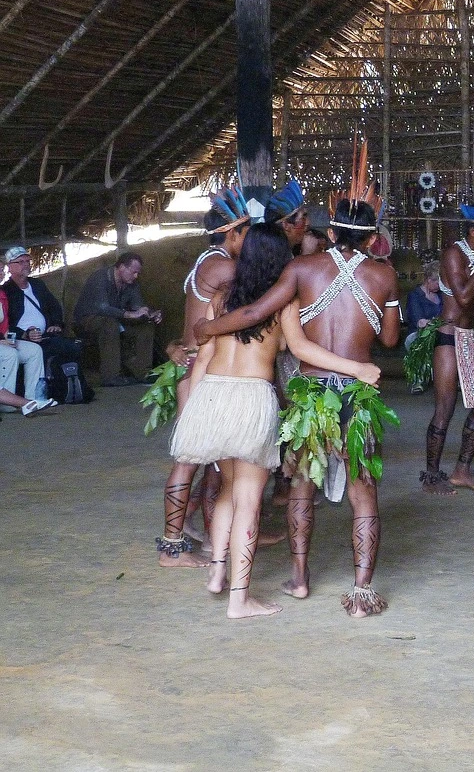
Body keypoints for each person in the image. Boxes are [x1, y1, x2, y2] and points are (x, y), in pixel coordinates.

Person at [195, 199, 400, 616]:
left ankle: (300, 578)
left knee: (302, 485)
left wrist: (206, 328)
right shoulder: (384, 274)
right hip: (355, 392)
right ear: (373, 237)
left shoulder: (302, 270)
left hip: (310, 393)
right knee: (364, 494)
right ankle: (361, 592)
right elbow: (392, 340)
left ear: (330, 234)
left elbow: (254, 312)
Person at [152, 208, 245, 568]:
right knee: (189, 460)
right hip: (201, 372)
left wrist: (176, 345)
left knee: (209, 462)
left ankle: (206, 536)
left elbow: (195, 320)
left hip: (192, 364)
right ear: (233, 231)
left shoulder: (204, 262)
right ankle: (171, 547)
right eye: (246, 231)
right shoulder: (224, 267)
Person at [420, 205, 474, 494]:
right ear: (473, 232)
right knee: (445, 407)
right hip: (449, 336)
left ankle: (461, 470)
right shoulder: (454, 254)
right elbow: (464, 297)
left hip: (468, 338)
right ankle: (432, 476)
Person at [72, 251, 160, 386]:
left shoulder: (131, 283)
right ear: (121, 267)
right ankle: (111, 377)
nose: (136, 276)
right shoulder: (100, 278)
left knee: (146, 326)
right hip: (87, 321)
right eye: (133, 272)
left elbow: (137, 306)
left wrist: (149, 314)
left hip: (116, 320)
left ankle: (143, 372)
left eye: (138, 273)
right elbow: (103, 308)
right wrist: (129, 314)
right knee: (109, 325)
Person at [3, 246, 81, 375]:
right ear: (9, 267)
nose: (26, 265)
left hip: (45, 336)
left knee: (73, 347)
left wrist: (55, 324)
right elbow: (5, 323)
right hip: (21, 339)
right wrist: (25, 334)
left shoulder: (37, 284)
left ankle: (72, 386)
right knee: (41, 353)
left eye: (27, 261)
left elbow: (53, 306)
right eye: (20, 262)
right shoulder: (6, 291)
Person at [0, 284, 50, 406]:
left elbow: (5, 324)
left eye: (2, 270)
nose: (1, 273)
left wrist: (8, 338)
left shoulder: (2, 295)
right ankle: (7, 403)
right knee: (9, 354)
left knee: (34, 350)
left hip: (2, 340)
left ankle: (36, 398)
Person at [404, 261, 443, 352]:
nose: (440, 287)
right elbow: (420, 323)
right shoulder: (415, 296)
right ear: (429, 280)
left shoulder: (441, 295)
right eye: (438, 284)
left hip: (437, 334)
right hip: (417, 336)